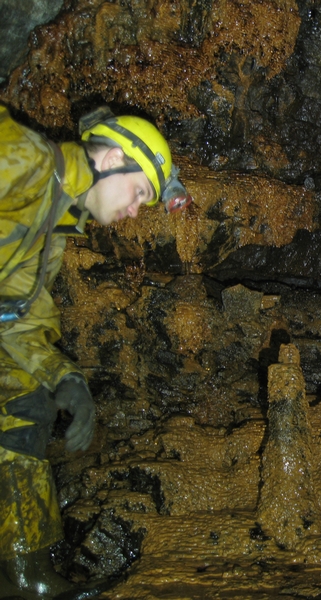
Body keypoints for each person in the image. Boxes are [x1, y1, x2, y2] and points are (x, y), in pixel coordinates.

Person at [0, 104, 191, 598]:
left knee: (25, 404)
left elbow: (16, 316)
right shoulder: (26, 159)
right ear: (109, 160)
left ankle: (27, 577)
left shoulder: (54, 228)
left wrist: (65, 377)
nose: (134, 212)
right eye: (140, 193)